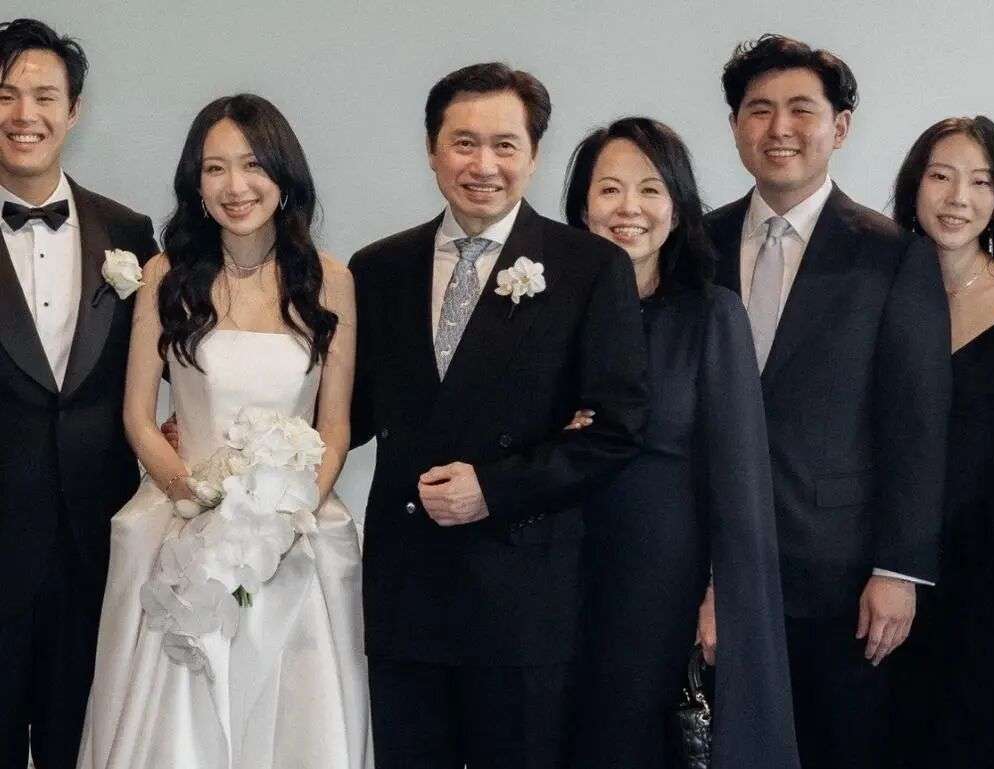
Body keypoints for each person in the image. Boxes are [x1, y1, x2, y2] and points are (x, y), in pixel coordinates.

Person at [348, 63, 648, 769]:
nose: (483, 165)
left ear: (534, 155)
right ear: (431, 149)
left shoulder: (589, 268)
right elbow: (351, 409)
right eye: (464, 143)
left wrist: (495, 487)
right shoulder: (378, 267)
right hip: (405, 588)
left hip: (522, 595)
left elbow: (617, 429)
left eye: (505, 145)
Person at [75, 94, 372, 769]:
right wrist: (192, 497)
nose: (236, 186)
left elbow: (334, 424)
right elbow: (138, 416)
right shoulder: (165, 276)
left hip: (292, 529)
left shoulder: (331, 280)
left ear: (283, 174)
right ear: (196, 183)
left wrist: (287, 514)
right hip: (182, 519)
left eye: (252, 165)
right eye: (215, 168)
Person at [703, 34, 951, 769]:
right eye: (759, 110)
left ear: (839, 127)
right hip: (707, 558)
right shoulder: (695, 243)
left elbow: (917, 423)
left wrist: (899, 569)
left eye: (801, 109)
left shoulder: (894, 254)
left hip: (838, 572)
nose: (779, 128)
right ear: (735, 126)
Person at [562, 117, 799, 769]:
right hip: (555, 573)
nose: (629, 208)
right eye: (609, 189)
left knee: (632, 742)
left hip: (661, 581)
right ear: (582, 207)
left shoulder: (710, 313)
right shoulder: (548, 312)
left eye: (649, 189)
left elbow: (739, 474)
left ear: (676, 208)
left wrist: (722, 593)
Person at [0, 18, 158, 769]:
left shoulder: (129, 231)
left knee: (87, 743)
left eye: (42, 96)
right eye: (4, 95)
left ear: (74, 110)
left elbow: (172, 363)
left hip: (95, 545)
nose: (23, 115)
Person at [889, 116, 994, 769]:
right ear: (915, 184)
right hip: (893, 560)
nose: (958, 198)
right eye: (941, 176)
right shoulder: (879, 290)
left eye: (981, 182)